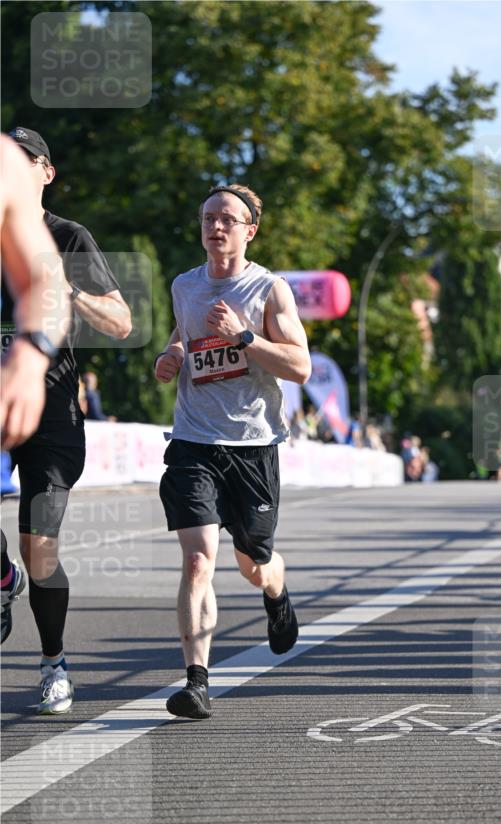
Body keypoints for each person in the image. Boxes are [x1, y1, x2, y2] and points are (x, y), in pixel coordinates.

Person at [154, 183, 311, 720]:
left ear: (250, 230)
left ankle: (277, 591)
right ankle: (197, 681)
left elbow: (299, 366)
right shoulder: (184, 285)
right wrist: (171, 355)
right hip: (194, 440)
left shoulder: (270, 289)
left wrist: (244, 337)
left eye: (227, 218)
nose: (214, 226)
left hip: (252, 446)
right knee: (198, 559)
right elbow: (185, 335)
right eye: (206, 218)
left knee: (254, 564)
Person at [1, 127, 131, 713]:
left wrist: (68, 290)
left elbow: (122, 323)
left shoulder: (68, 236)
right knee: (18, 563)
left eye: (19, 160)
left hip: (51, 415)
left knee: (40, 546)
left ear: (45, 171)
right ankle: (4, 581)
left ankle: (54, 662)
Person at [1, 133, 71, 643]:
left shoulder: (2, 164)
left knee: (40, 544)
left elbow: (45, 284)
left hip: (44, 407)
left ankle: (53, 659)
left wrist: (28, 356)